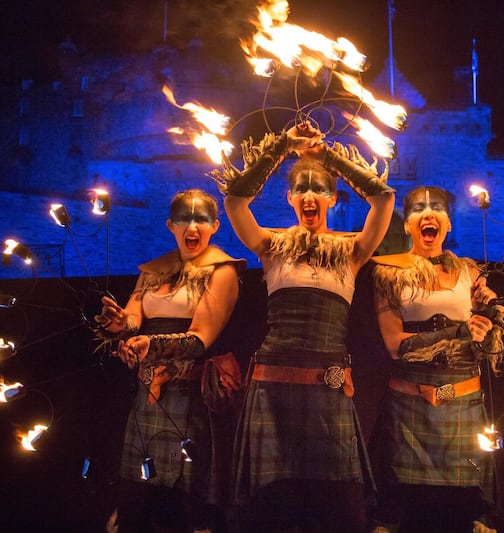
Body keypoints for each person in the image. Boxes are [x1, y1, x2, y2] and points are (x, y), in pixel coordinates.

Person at [211, 122, 395, 533]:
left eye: (319, 189)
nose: (310, 195)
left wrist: (323, 153)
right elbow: (235, 199)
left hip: (327, 389)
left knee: (338, 511)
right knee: (271, 507)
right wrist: (282, 145)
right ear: (291, 198)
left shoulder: (353, 252)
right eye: (301, 189)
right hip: (272, 387)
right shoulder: (272, 247)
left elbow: (383, 198)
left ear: (331, 198)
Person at [94, 189, 245, 533]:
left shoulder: (221, 272)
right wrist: (119, 327)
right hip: (147, 399)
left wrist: (149, 343)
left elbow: (198, 340)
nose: (192, 227)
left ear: (215, 226)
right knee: (135, 499)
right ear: (170, 225)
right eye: (183, 219)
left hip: (189, 402)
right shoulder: (154, 272)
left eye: (201, 219)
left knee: (189, 506)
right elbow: (132, 317)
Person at [366, 186, 501, 533]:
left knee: (461, 512)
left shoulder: (471, 273)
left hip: (463, 405)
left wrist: (491, 314)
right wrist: (457, 332)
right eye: (417, 210)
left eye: (437, 208)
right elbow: (395, 345)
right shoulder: (387, 274)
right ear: (407, 225)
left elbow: (489, 340)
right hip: (409, 405)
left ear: (449, 224)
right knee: (401, 511)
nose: (428, 214)